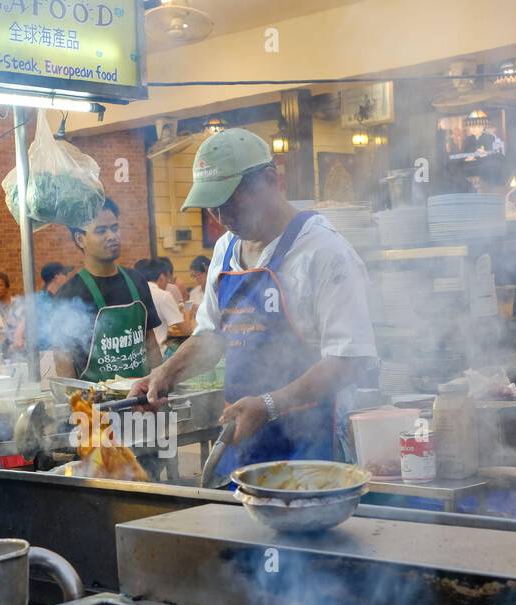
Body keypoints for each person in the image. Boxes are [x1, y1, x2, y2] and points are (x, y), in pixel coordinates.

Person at [130, 129, 377, 477]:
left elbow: (349, 359)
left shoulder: (325, 252)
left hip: (312, 450)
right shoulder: (225, 250)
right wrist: (164, 374)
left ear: (270, 180)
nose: (221, 217)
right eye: (213, 207)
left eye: (230, 202)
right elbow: (212, 336)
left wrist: (269, 405)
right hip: (242, 441)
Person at [50, 198, 164, 382]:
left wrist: (159, 386)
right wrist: (74, 405)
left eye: (115, 228)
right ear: (80, 239)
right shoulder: (69, 296)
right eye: (101, 231)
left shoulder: (137, 281)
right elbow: (64, 362)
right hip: (96, 405)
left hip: (143, 400)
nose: (112, 236)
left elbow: (150, 343)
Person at [135, 258, 188, 348]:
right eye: (168, 279)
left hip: (138, 353)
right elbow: (185, 330)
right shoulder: (163, 295)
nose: (167, 284)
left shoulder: (135, 292)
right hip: (159, 352)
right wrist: (187, 312)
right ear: (162, 277)